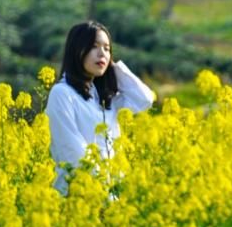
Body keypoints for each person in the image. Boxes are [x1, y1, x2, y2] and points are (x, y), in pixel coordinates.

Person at [46, 20, 156, 195]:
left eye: (107, 49)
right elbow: (73, 152)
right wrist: (103, 189)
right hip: (78, 196)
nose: (102, 54)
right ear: (77, 50)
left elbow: (144, 99)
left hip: (110, 196)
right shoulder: (62, 93)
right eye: (94, 47)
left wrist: (112, 68)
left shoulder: (104, 99)